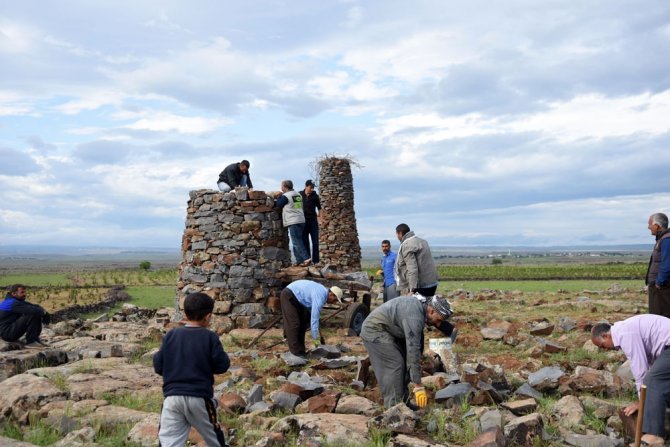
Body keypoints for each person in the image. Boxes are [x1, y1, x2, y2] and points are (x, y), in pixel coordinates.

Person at [154, 292, 230, 447]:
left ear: (185, 313)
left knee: (169, 440)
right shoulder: (210, 337)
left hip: (172, 398)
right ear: (208, 317)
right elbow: (222, 365)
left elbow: (158, 364)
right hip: (199, 398)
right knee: (214, 437)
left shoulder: (170, 335)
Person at [360, 294, 453, 408]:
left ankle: (403, 403)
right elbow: (412, 349)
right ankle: (393, 409)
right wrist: (418, 385)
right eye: (438, 320)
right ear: (432, 311)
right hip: (374, 330)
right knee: (395, 364)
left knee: (404, 362)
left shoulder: (419, 310)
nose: (438, 324)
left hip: (391, 330)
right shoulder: (414, 316)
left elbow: (416, 348)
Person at [591, 315, 670, 446]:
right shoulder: (625, 330)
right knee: (658, 380)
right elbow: (651, 363)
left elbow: (641, 371)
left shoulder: (624, 333)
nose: (604, 349)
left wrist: (642, 402)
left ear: (606, 336)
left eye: (602, 346)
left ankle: (654, 436)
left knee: (653, 380)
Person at [394, 223, 456, 339]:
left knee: (419, 313)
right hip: (431, 282)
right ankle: (449, 330)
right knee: (428, 311)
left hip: (420, 284)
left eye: (397, 234)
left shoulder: (407, 245)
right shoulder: (422, 241)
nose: (397, 237)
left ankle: (418, 340)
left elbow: (412, 269)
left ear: (400, 233)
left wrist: (412, 289)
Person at [280, 279, 343, 356]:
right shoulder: (320, 296)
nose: (334, 302)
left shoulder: (323, 293)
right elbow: (314, 320)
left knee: (303, 323)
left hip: (299, 299)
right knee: (294, 324)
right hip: (289, 295)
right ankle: (296, 354)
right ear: (331, 294)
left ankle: (301, 351)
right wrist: (316, 340)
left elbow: (311, 310)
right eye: (335, 300)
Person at [0, 284, 50, 349]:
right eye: (22, 292)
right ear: (14, 293)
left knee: (35, 312)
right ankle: (31, 341)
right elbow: (33, 310)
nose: (25, 294)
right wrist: (45, 314)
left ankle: (35, 340)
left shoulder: (13, 301)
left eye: (25, 292)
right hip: (6, 333)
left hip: (8, 330)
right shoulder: (12, 303)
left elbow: (35, 306)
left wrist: (44, 312)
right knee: (32, 314)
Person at [274, 180, 310, 266]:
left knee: (297, 242)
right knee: (296, 242)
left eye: (282, 186)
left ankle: (306, 258)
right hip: (301, 220)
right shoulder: (298, 194)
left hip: (293, 221)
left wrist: (278, 197)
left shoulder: (286, 196)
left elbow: (278, 205)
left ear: (285, 187)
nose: (281, 188)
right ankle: (299, 261)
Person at [646, 212, 670, 317]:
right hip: (660, 286)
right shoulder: (663, 239)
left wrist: (659, 282)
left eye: (650, 224)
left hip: (662, 288)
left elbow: (667, 262)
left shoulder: (666, 239)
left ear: (657, 225)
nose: (648, 227)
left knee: (660, 317)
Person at [300, 179, 321, 265]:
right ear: (306, 186)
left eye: (313, 188)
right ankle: (308, 260)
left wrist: (320, 218)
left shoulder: (315, 196)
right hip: (303, 221)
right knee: (305, 241)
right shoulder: (299, 195)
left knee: (315, 242)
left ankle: (316, 261)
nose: (312, 189)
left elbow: (320, 208)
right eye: (310, 187)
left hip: (313, 221)